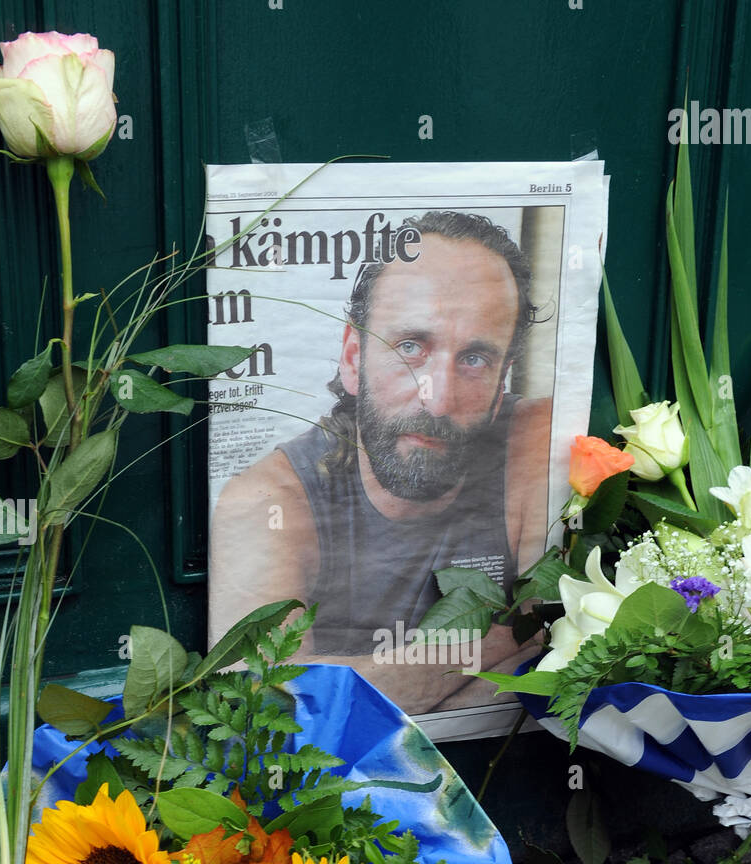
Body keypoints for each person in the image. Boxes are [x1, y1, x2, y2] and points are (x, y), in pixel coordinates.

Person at [208, 210, 552, 716]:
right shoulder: (268, 500)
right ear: (353, 356)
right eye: (410, 347)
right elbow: (265, 711)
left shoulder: (534, 440)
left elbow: (552, 656)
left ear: (504, 378)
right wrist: (489, 648)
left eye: (475, 358)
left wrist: (366, 687)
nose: (437, 401)